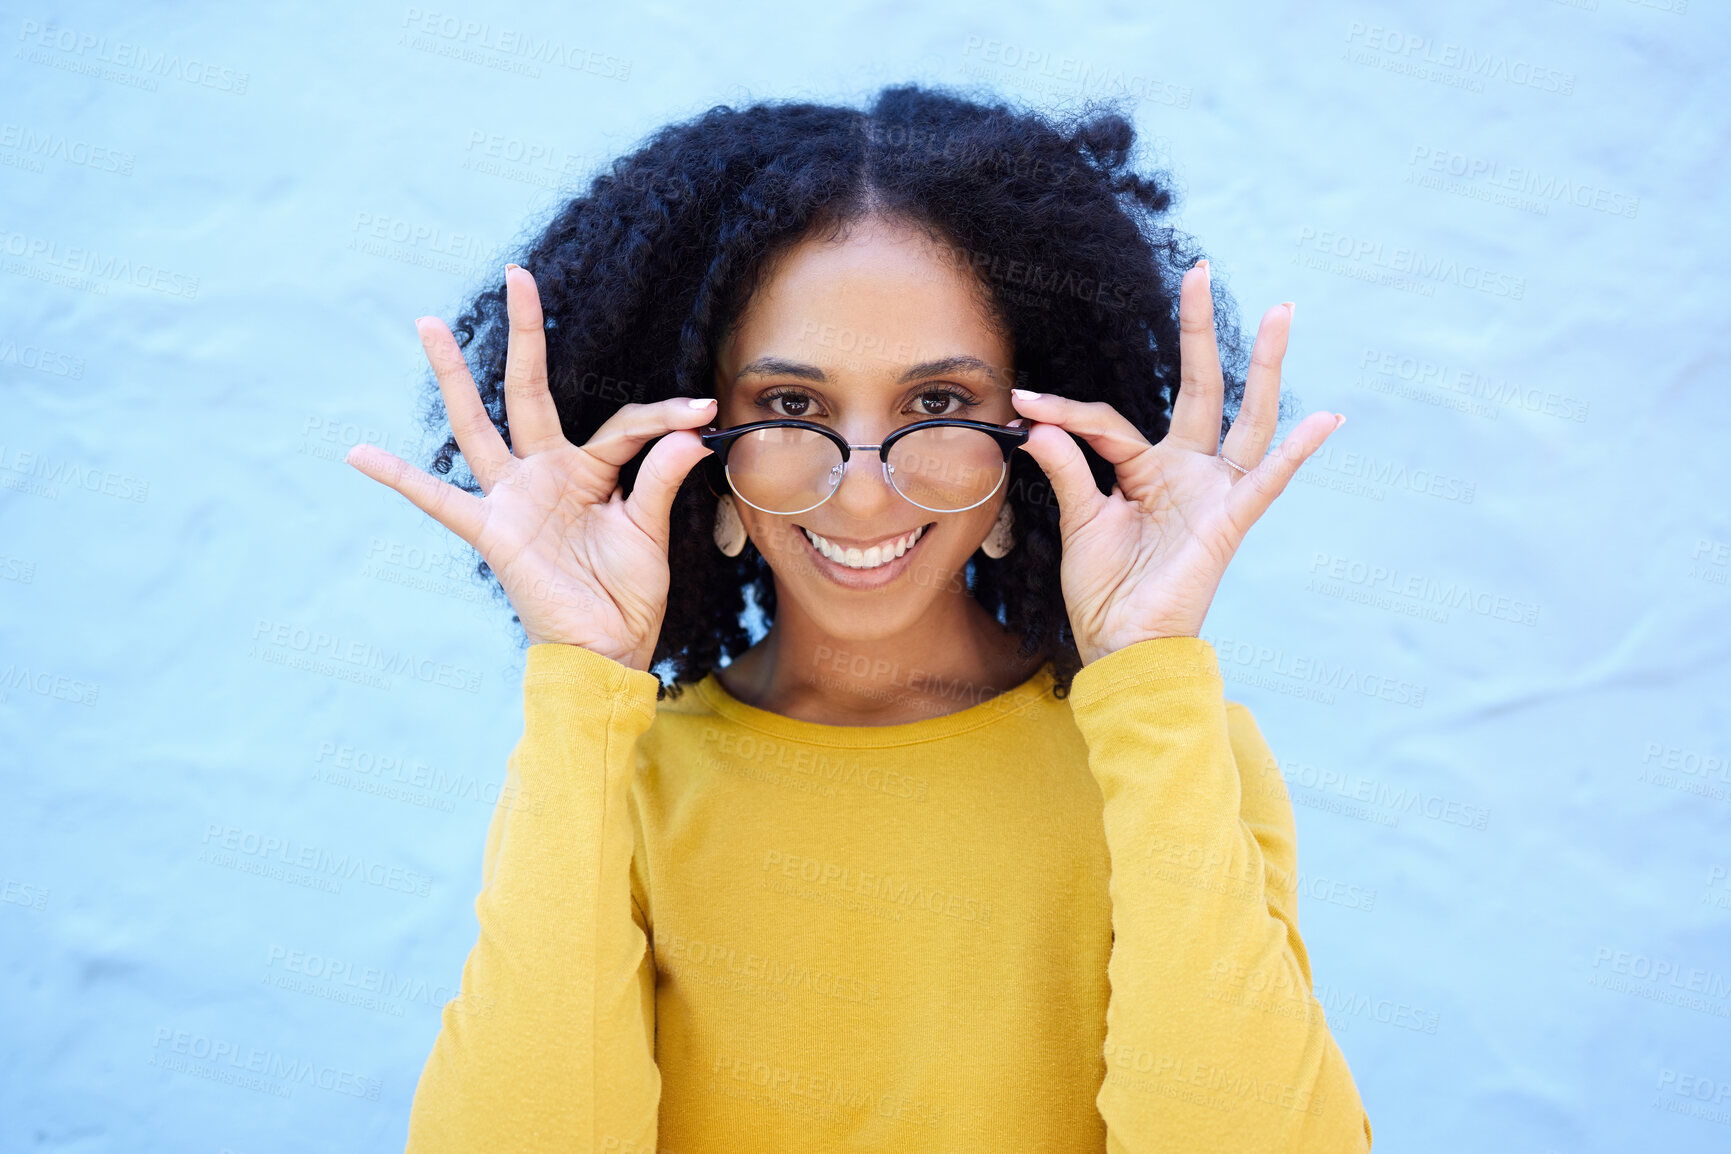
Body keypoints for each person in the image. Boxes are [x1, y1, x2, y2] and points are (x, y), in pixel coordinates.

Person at [346, 83, 1372, 1153]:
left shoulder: (1175, 752)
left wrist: (1153, 668)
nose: (867, 491)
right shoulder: (619, 778)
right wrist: (576, 676)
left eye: (937, 405)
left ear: (1031, 428)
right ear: (703, 443)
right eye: (791, 407)